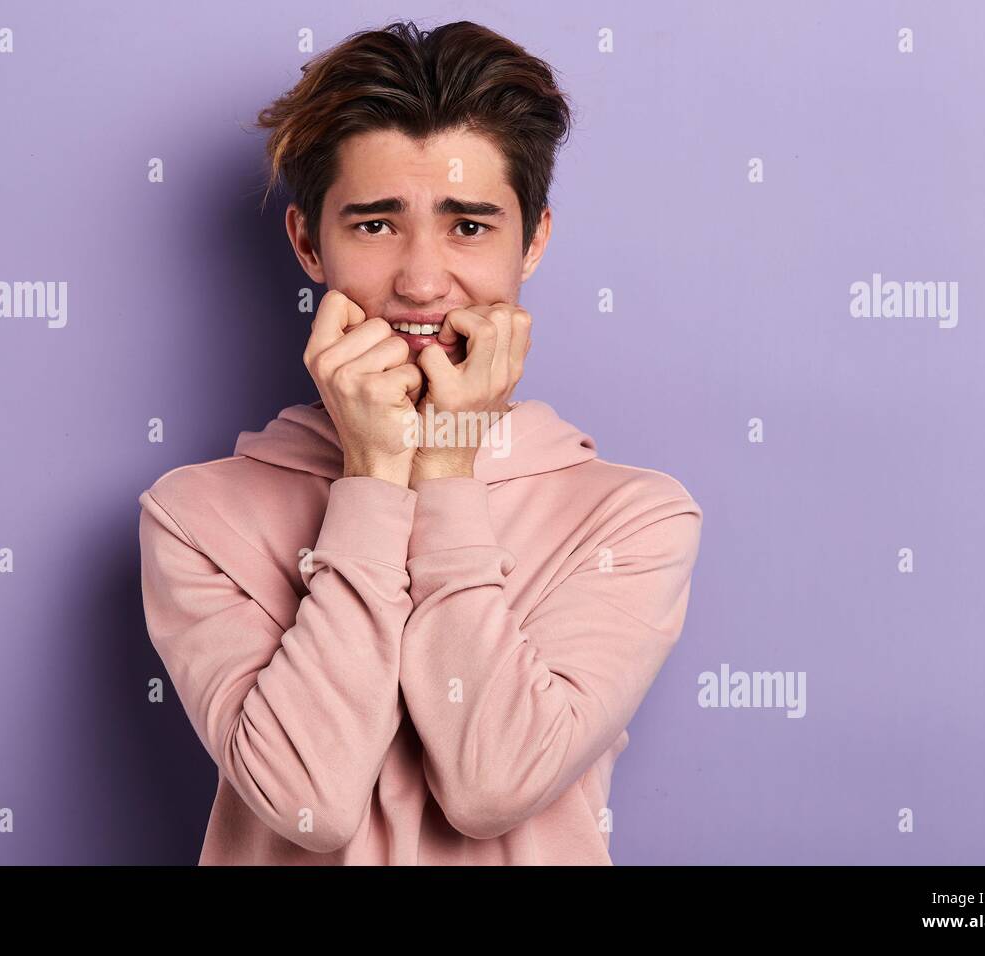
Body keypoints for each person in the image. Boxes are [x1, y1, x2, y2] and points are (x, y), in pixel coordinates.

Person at [137, 19, 703, 865]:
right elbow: (308, 807)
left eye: (468, 226)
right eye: (375, 225)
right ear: (307, 243)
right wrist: (372, 478)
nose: (423, 282)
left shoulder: (631, 520)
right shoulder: (194, 516)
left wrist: (446, 462)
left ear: (534, 241)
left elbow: (491, 786)